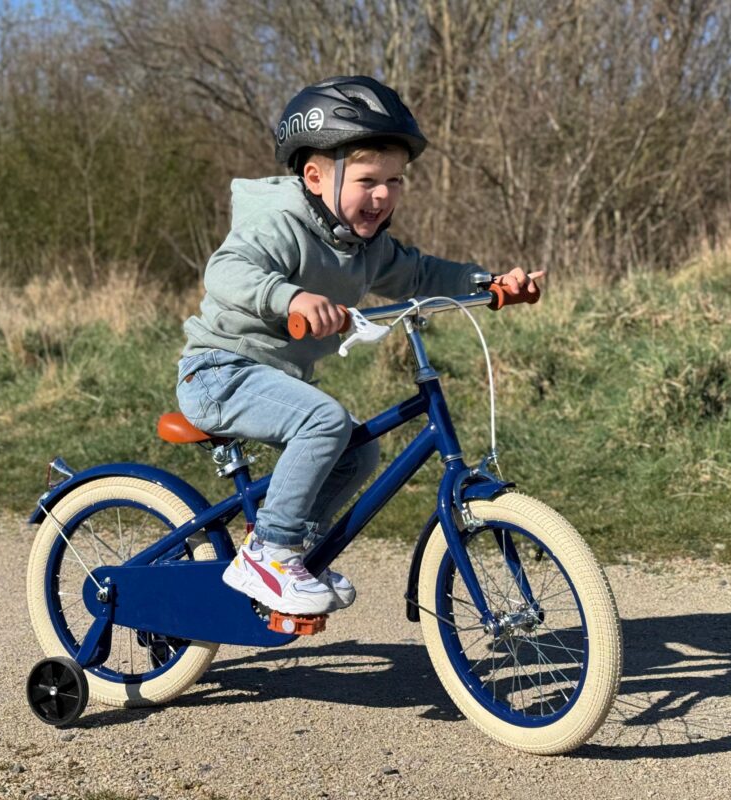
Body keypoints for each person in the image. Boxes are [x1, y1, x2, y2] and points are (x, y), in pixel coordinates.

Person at [176, 75, 542, 616]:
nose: (383, 194)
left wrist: (487, 284)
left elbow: (419, 274)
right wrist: (291, 298)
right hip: (218, 372)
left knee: (357, 448)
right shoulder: (279, 222)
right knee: (325, 422)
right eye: (369, 178)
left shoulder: (364, 245)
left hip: (272, 381)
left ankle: (287, 549)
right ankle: (269, 555)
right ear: (316, 175)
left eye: (395, 180)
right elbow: (227, 271)